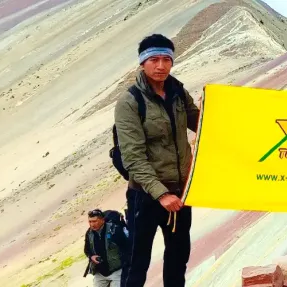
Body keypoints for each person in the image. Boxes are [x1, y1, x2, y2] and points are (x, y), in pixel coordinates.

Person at [114, 34, 200, 287]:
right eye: (154, 59)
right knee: (137, 262)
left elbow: (200, 124)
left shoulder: (178, 92)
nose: (161, 66)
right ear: (142, 63)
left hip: (181, 193)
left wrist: (216, 108)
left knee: (177, 258)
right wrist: (161, 195)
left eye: (166, 59)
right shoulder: (130, 102)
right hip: (146, 196)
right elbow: (133, 157)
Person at [84, 209, 129, 287]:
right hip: (100, 273)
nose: (92, 224)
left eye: (95, 221)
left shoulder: (114, 230)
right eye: (90, 222)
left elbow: (126, 247)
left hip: (117, 271)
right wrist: (91, 257)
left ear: (102, 220)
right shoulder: (89, 233)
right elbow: (87, 250)